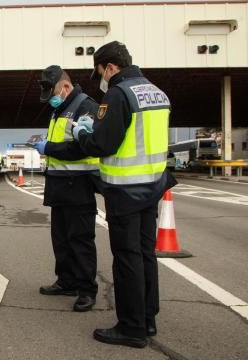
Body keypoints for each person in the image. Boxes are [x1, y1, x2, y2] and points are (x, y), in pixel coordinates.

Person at [72, 41, 177, 348]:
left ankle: (131, 328)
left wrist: (82, 133)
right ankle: (148, 319)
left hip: (126, 191)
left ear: (111, 67)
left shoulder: (118, 94)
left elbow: (102, 144)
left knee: (127, 258)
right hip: (152, 186)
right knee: (146, 255)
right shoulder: (157, 92)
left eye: (100, 72)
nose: (101, 79)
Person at [32, 65, 100, 312]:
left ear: (66, 86)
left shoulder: (86, 107)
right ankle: (66, 281)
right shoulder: (60, 109)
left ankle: (86, 290)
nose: (51, 98)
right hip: (60, 186)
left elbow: (84, 147)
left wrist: (48, 148)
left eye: (53, 93)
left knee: (80, 240)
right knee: (60, 239)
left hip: (79, 186)